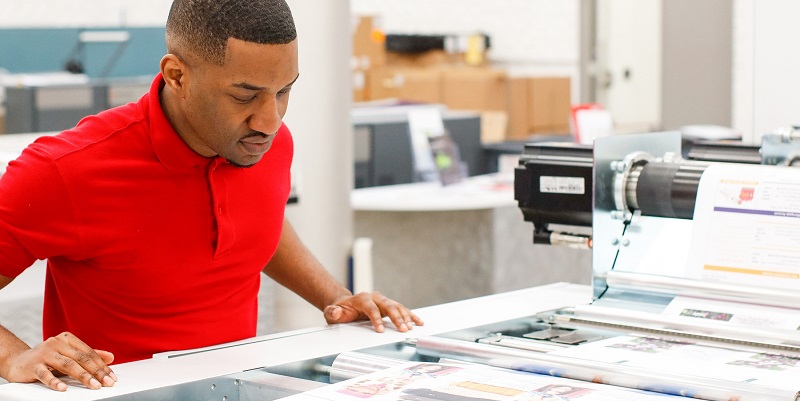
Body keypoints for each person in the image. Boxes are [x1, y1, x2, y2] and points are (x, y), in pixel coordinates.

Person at [0, 0, 422, 392]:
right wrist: (15, 357)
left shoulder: (262, 144)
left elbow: (260, 221)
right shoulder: (65, 170)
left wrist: (335, 298)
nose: (270, 120)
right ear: (177, 75)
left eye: (283, 91)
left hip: (237, 390)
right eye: (244, 95)